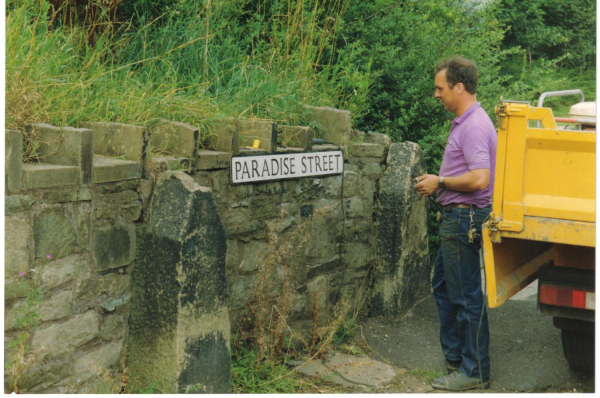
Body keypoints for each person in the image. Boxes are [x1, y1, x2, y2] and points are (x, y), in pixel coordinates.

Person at [414, 57, 497, 391]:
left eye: (440, 88)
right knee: (444, 287)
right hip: (456, 215)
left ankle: (474, 370)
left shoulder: (475, 126)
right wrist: (444, 203)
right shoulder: (467, 121)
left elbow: (480, 179)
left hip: (465, 219)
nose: (437, 94)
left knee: (465, 296)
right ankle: (456, 359)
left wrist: (441, 183)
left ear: (458, 87)